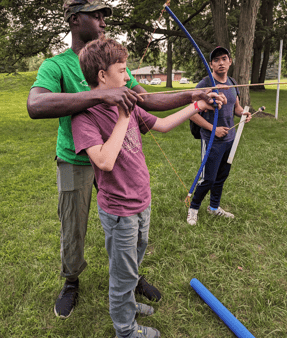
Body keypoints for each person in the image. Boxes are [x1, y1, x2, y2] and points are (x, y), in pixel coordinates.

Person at [26, 0, 216, 319]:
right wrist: (100, 96)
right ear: (75, 20)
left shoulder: (111, 64)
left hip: (116, 158)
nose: (102, 22)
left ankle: (130, 276)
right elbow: (36, 105)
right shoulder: (55, 65)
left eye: (104, 16)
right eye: (96, 15)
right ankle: (72, 281)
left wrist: (193, 95)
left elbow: (146, 102)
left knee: (125, 224)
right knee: (73, 226)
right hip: (77, 158)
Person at [71, 37, 225, 338]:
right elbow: (103, 161)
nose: (128, 77)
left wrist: (199, 104)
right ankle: (125, 330)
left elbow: (164, 124)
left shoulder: (128, 103)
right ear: (103, 76)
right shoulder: (85, 116)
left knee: (134, 263)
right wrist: (123, 116)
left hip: (142, 202)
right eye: (123, 70)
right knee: (122, 274)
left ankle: (128, 303)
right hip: (119, 212)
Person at [187, 46, 252, 226]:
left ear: (230, 61)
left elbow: (236, 107)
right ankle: (193, 209)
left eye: (224, 58)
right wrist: (212, 129)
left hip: (229, 140)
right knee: (208, 178)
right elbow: (190, 113)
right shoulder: (205, 85)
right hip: (211, 139)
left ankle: (214, 207)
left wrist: (243, 114)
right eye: (216, 60)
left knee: (221, 176)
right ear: (211, 64)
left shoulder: (231, 83)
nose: (220, 63)